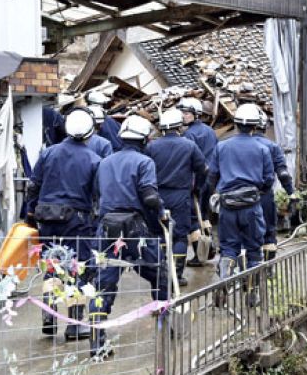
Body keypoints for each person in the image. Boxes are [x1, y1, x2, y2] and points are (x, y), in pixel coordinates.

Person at [89, 115, 169, 357]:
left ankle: (97, 342)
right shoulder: (144, 162)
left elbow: (96, 195)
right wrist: (162, 213)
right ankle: (163, 324)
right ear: (144, 139)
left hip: (107, 228)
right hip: (136, 229)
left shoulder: (104, 162)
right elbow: (150, 198)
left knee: (103, 284)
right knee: (159, 273)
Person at [26, 108, 101, 340]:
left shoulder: (48, 153)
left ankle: (49, 318)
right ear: (90, 132)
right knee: (76, 269)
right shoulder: (93, 159)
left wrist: (31, 211)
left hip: (46, 218)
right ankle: (75, 325)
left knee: (51, 265)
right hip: (77, 221)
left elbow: (33, 185)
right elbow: (97, 194)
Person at [207, 103, 273, 304]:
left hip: (228, 205)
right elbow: (268, 179)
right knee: (254, 249)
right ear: (255, 126)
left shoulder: (221, 146)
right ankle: (252, 294)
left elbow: (212, 175)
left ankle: (225, 278)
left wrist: (214, 194)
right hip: (251, 206)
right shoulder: (263, 148)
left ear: (235, 125)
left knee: (228, 248)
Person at [146, 109, 208, 286]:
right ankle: (177, 275)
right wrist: (197, 188)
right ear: (179, 126)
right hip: (181, 195)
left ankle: (162, 273)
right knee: (180, 236)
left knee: (159, 234)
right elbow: (203, 169)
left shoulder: (152, 147)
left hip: (157, 196)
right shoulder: (188, 145)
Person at [179, 97, 218, 266]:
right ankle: (210, 247)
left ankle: (199, 254)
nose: (183, 116)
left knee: (194, 217)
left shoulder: (189, 134)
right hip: (210, 178)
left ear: (196, 114)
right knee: (205, 214)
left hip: (197, 178)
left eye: (186, 113)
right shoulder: (209, 131)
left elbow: (191, 159)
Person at [254, 111, 295, 261]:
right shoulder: (272, 146)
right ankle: (267, 268)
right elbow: (283, 173)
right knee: (268, 233)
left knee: (241, 233)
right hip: (264, 195)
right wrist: (291, 192)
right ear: (264, 127)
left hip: (238, 196)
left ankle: (245, 272)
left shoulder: (232, 145)